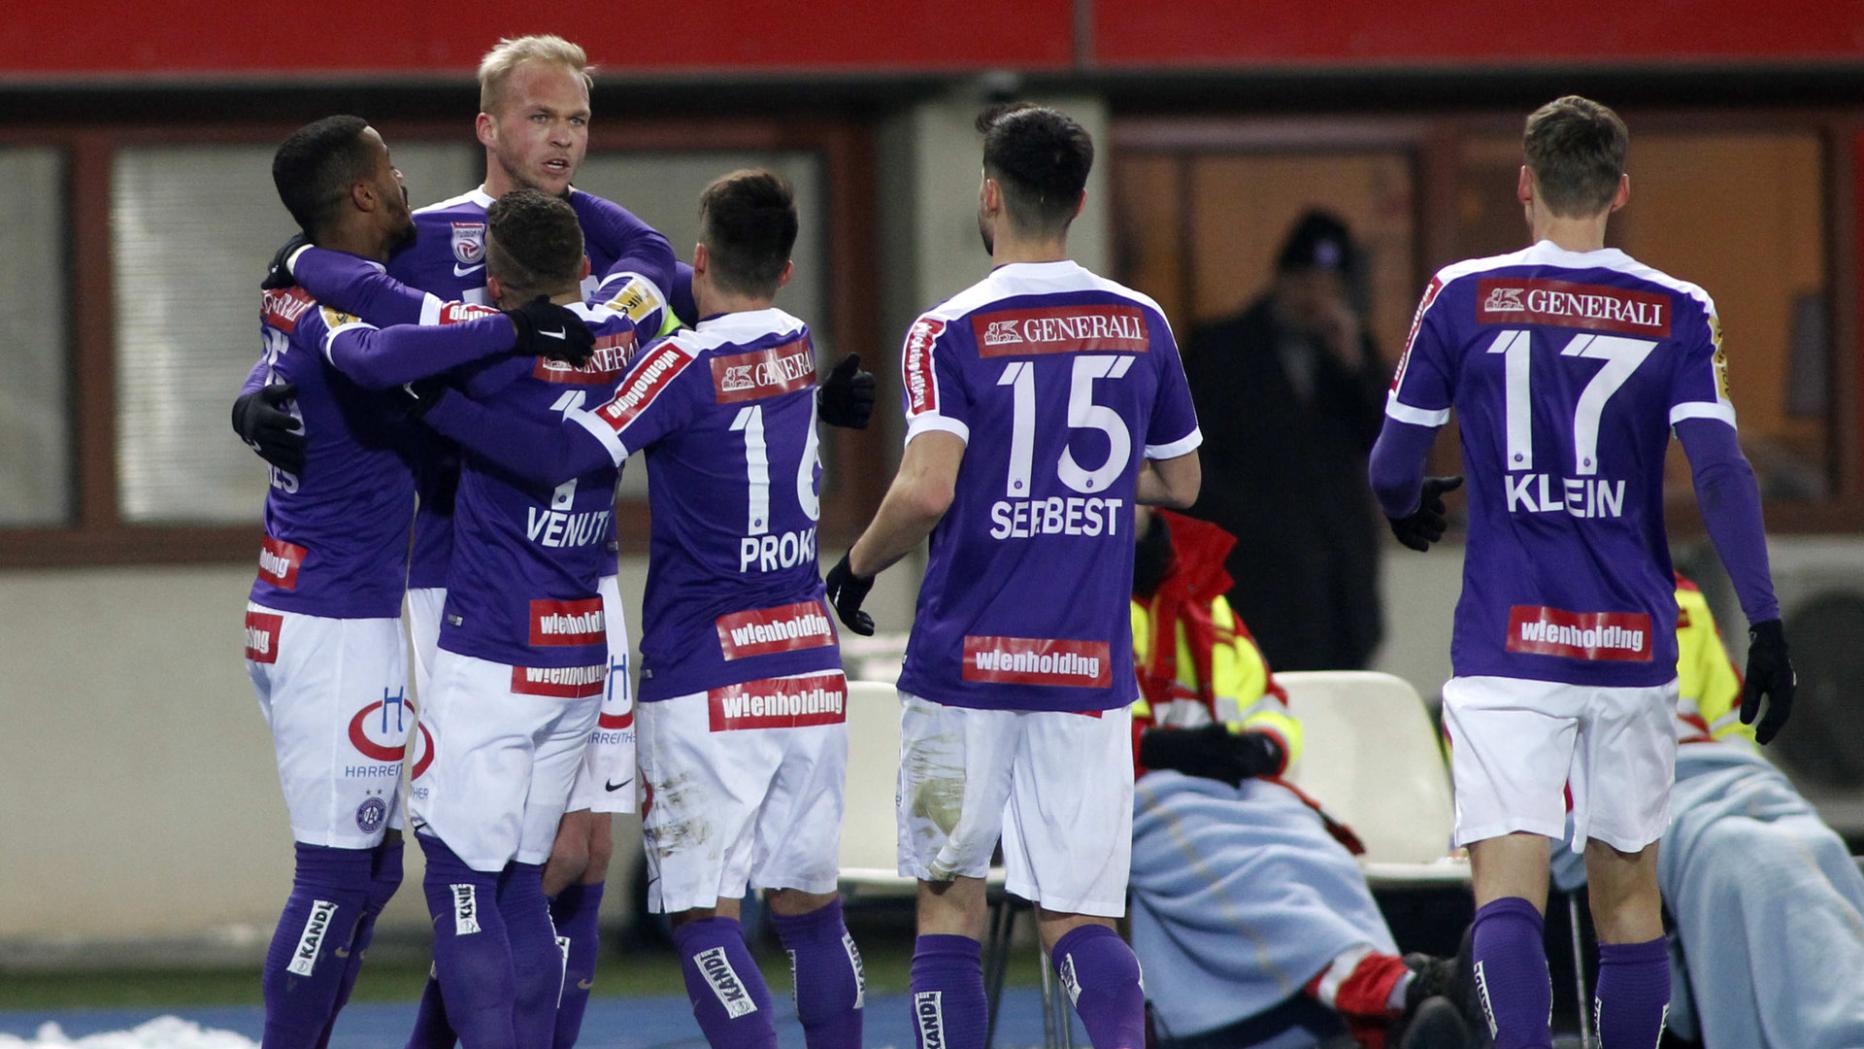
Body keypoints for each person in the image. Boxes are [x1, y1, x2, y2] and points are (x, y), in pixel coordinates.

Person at [240, 37, 676, 1049]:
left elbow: (680, 298)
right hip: (454, 578)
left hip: (582, 576)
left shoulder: (606, 247)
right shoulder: (420, 238)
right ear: (487, 126)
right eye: (540, 116)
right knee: (462, 859)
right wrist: (253, 393)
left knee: (574, 853)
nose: (561, 138)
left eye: (577, 120)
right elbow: (332, 330)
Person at [1368, 95, 1795, 1049]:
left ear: (1525, 185)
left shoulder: (1460, 294)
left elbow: (1391, 462)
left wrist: (1406, 504)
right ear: (1620, 191)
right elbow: (1721, 473)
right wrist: (1765, 621)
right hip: (1631, 640)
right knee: (1629, 895)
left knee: (1506, 889)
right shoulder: (1679, 308)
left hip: (1509, 638)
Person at [410, 170, 870, 1049]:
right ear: (785, 268)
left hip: (707, 671)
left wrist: (436, 406)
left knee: (703, 920)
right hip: (809, 664)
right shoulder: (798, 345)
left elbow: (563, 451)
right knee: (813, 912)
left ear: (702, 259)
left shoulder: (675, 364)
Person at [820, 102, 1201, 1049]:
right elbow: (1182, 482)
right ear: (1080, 201)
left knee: (949, 900)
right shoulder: (1140, 320)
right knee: (1079, 914)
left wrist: (853, 571)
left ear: (989, 195)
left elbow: (926, 489)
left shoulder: (947, 328)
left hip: (966, 665)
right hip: (1085, 667)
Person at [1127, 506, 1471, 1049]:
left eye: (1143, 475)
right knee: (1233, 854)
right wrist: (1158, 747)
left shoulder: (1200, 592)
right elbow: (1062, 723)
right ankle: (1390, 991)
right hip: (1122, 794)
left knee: (1314, 847)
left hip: (1222, 787)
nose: (1136, 491)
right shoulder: (1071, 595)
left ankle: (1386, 1006)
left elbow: (1263, 699)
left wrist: (1262, 745)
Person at [1545, 575, 1864, 1049]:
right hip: (1606, 797)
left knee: (1817, 846)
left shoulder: (1682, 597)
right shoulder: (1520, 594)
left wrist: (1743, 790)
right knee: (1750, 857)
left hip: (1715, 777)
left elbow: (1734, 730)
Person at [1182, 211, 1389, 671]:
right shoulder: (1222, 350)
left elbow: (1385, 441)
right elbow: (1195, 466)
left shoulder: (1350, 351)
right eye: (1306, 283)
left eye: (1330, 286)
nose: (1317, 298)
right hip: (1255, 580)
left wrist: (1353, 366)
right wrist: (1252, 529)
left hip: (1341, 591)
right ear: (1282, 279)